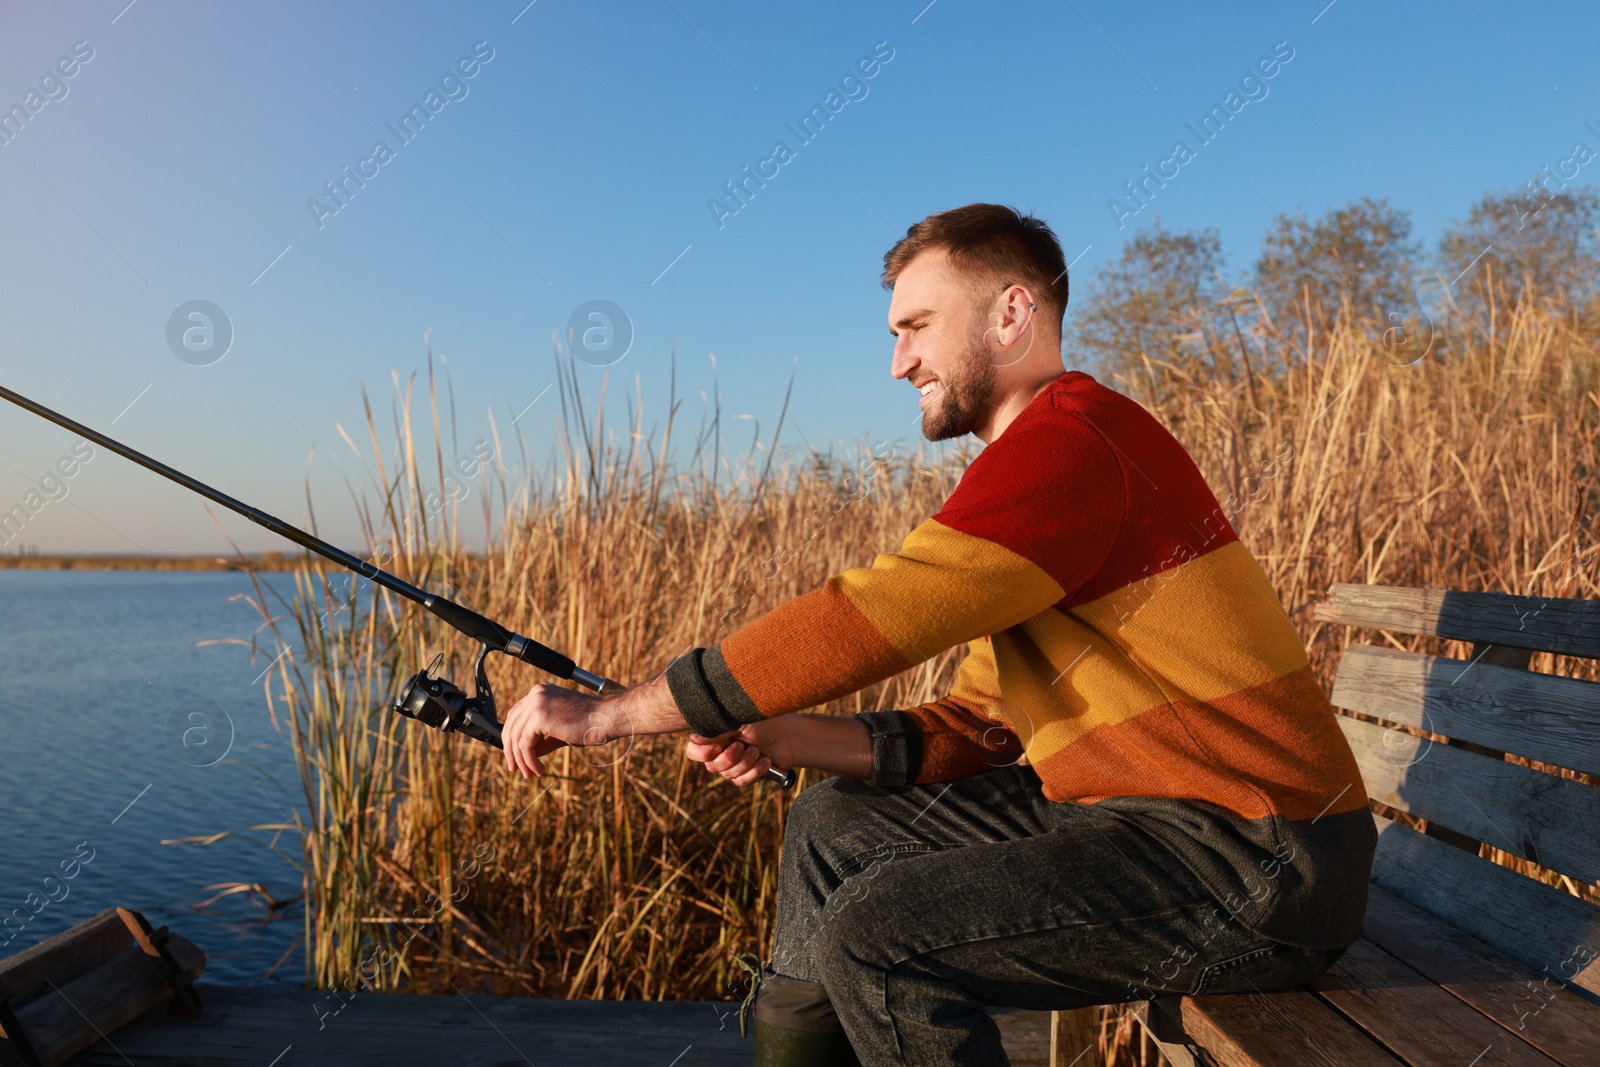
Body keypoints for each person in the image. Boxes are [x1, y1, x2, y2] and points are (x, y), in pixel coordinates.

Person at [498, 203, 1376, 1067]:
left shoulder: (1073, 444)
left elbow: (868, 615)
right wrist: (797, 736)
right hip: (1153, 819)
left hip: (1256, 856)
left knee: (881, 936)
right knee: (833, 821)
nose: (896, 361)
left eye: (916, 326)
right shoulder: (1039, 466)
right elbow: (985, 724)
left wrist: (610, 716)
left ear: (1010, 314)